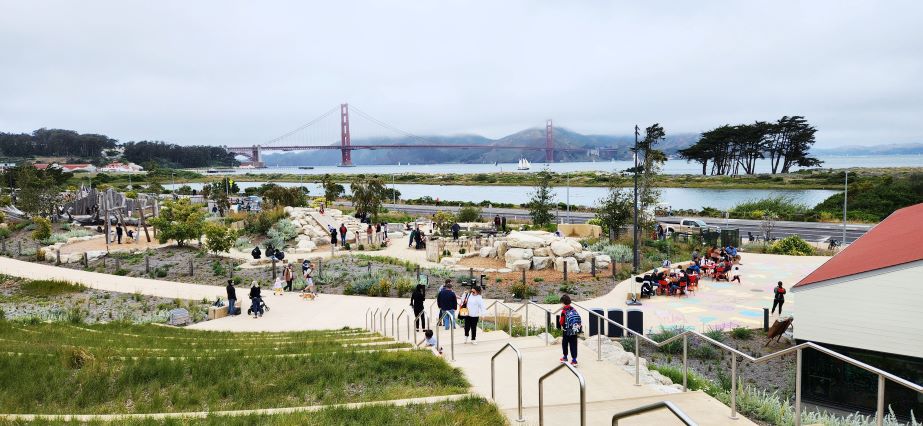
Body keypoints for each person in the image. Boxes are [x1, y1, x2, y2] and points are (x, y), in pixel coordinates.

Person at [559, 294, 582, 367]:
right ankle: (574, 360)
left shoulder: (564, 311)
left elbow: (561, 322)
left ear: (563, 302)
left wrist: (561, 325)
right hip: (575, 330)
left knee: (565, 343)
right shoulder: (573, 309)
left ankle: (565, 357)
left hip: (567, 330)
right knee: (573, 344)